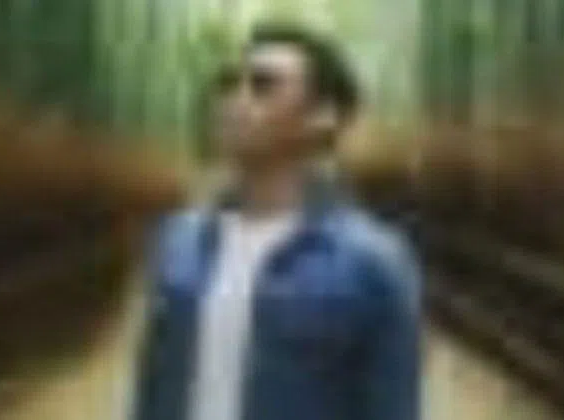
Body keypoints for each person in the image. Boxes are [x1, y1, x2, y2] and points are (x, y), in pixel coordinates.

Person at [135, 23, 421, 420]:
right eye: (229, 84)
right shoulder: (178, 240)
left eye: (262, 85)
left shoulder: (374, 262)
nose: (235, 99)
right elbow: (151, 392)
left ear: (323, 117)